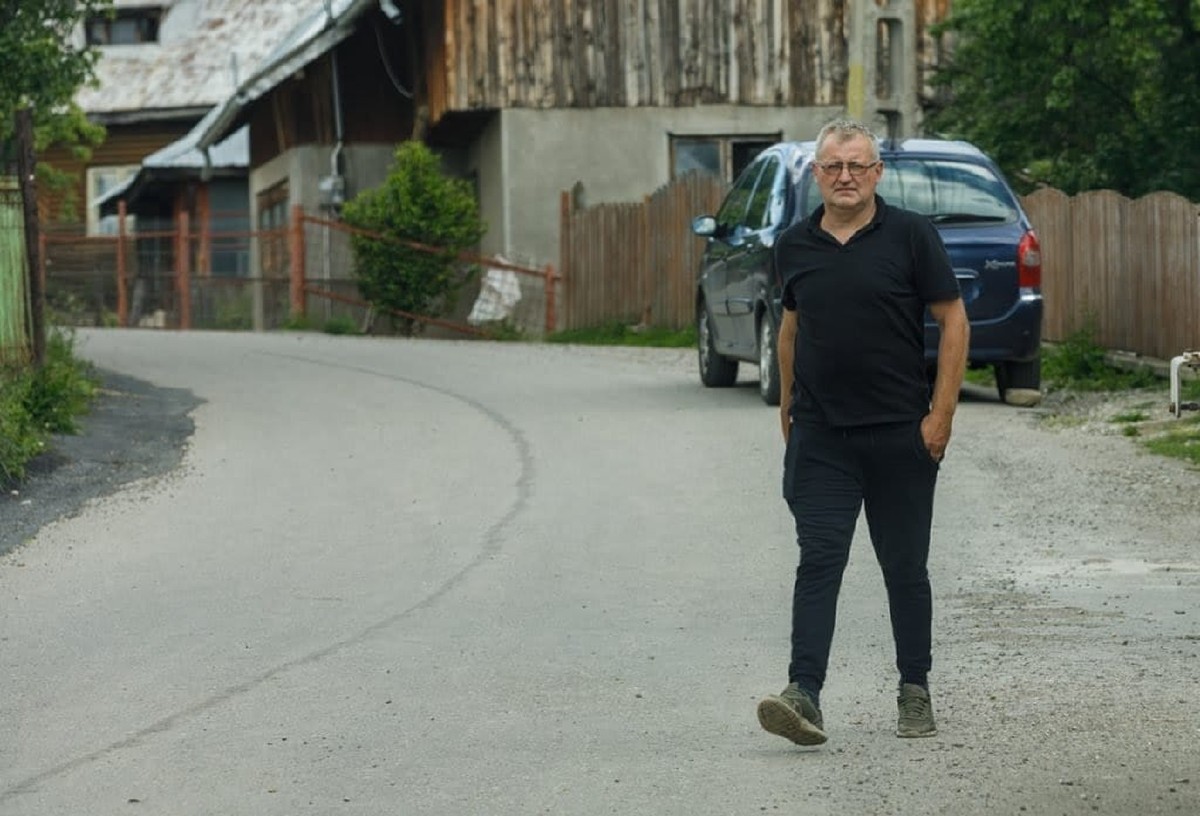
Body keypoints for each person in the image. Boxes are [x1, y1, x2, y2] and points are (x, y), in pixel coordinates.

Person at [756, 119, 969, 746]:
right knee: (819, 560)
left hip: (900, 434)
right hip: (822, 437)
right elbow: (791, 329)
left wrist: (941, 415)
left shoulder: (911, 235)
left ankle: (914, 688)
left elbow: (954, 321)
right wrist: (787, 408)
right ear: (816, 174)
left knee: (904, 567)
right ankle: (804, 693)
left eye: (857, 165)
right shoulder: (794, 245)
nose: (845, 176)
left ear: (877, 173)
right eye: (833, 166)